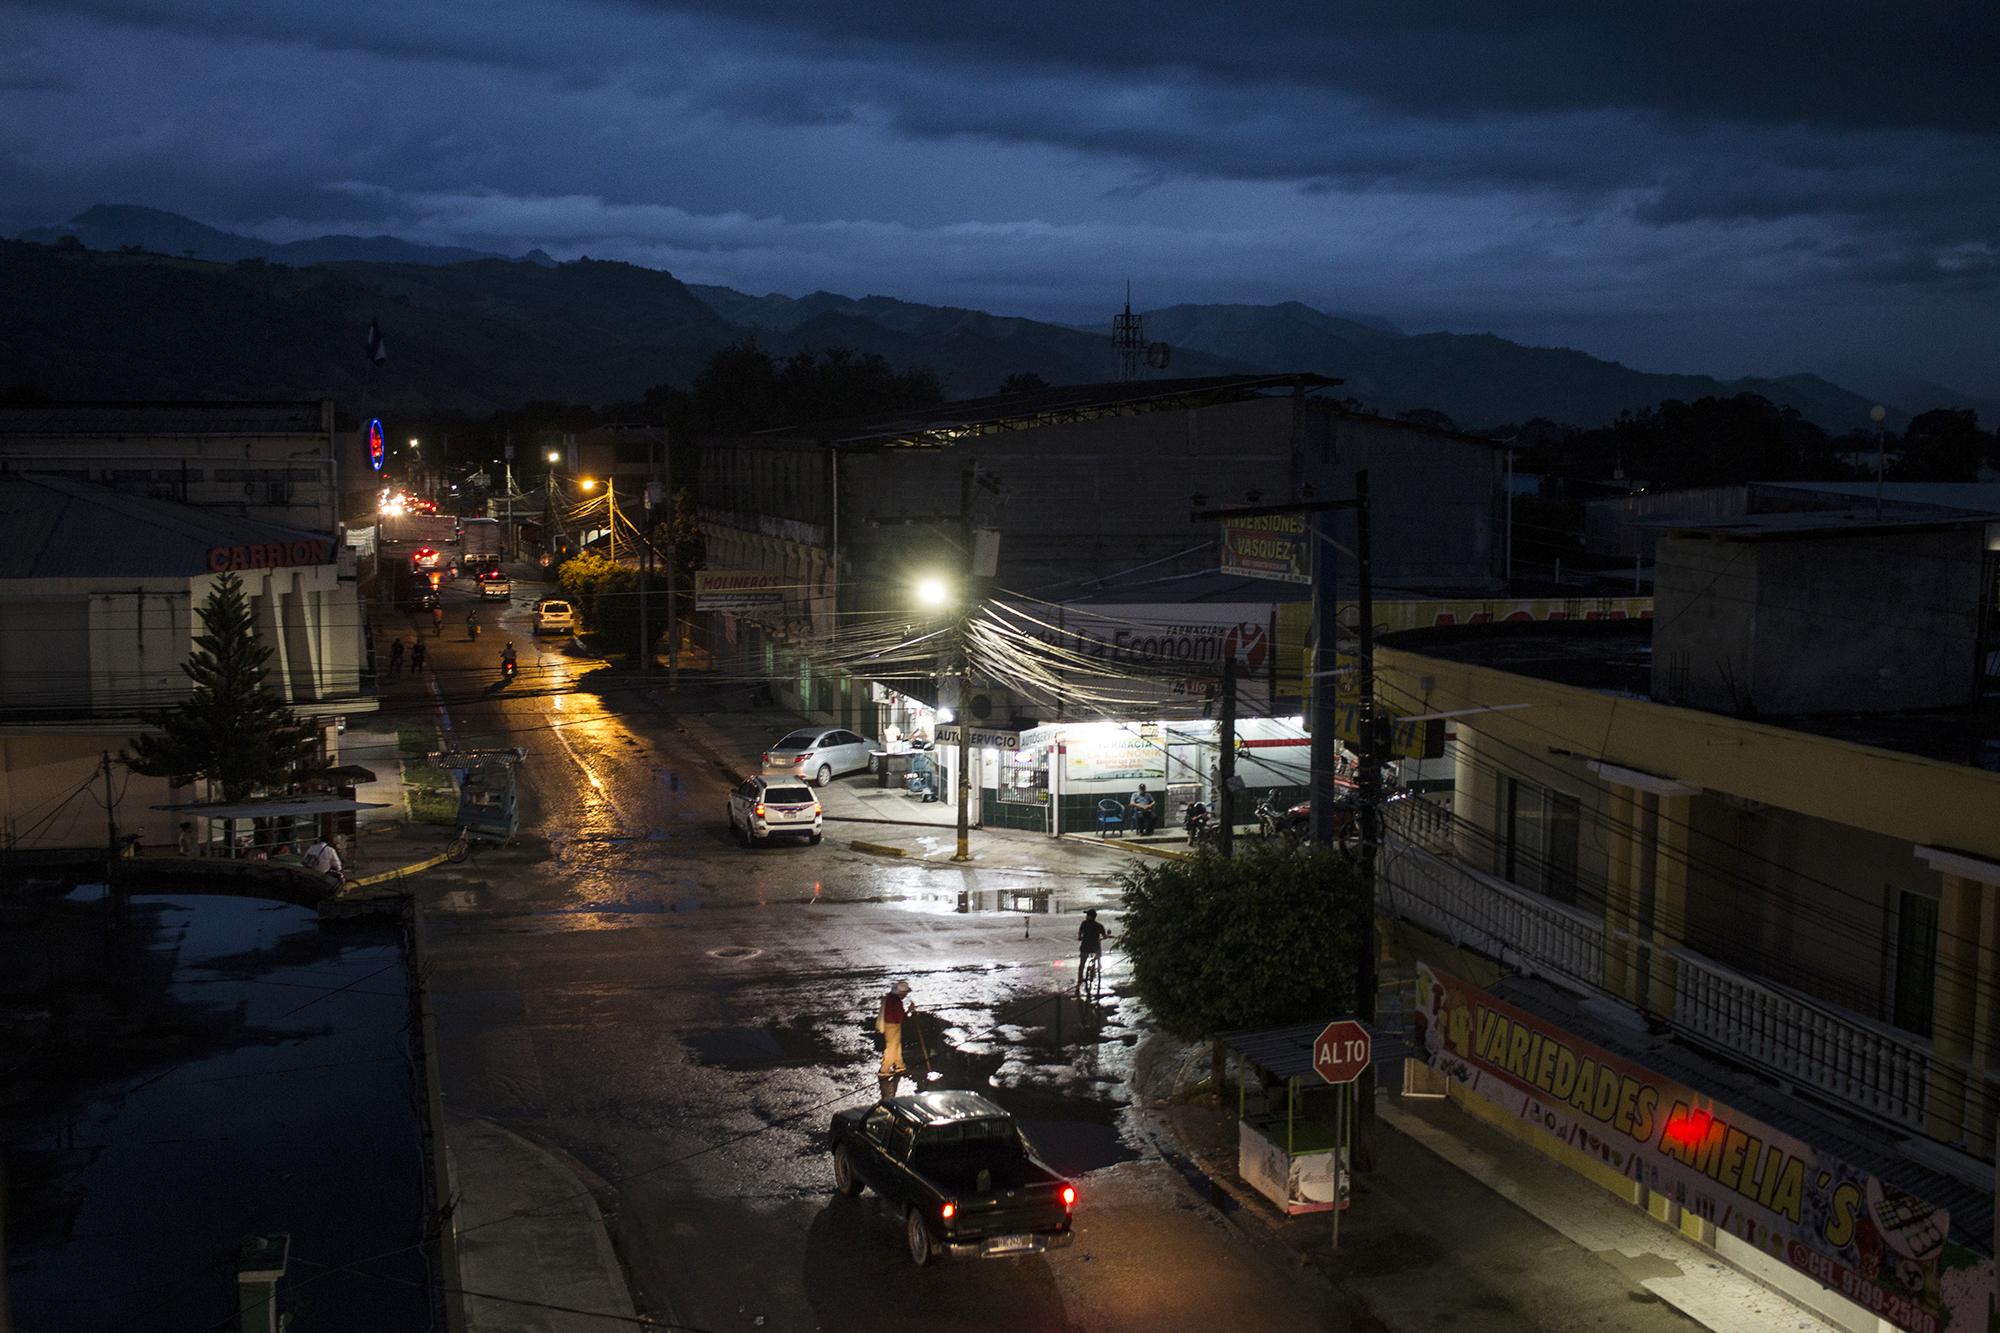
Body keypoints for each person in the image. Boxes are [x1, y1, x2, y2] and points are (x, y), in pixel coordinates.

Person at [877, 979, 913, 1102]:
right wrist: (909, 1011)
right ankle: (884, 1070)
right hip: (893, 1026)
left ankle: (899, 1065)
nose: (905, 995)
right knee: (892, 1047)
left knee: (896, 1046)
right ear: (901, 993)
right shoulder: (896, 1002)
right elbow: (900, 1017)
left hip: (890, 1025)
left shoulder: (891, 998)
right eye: (905, 994)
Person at [1077, 909, 1112, 985]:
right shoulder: (1099, 926)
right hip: (1095, 946)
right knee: (1099, 952)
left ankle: (1080, 978)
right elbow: (1104, 936)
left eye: (1087, 915)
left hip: (1085, 946)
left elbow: (1080, 932)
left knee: (1082, 962)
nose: (1086, 916)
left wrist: (1080, 937)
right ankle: (1098, 964)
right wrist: (1107, 935)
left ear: (1090, 916)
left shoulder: (1084, 924)